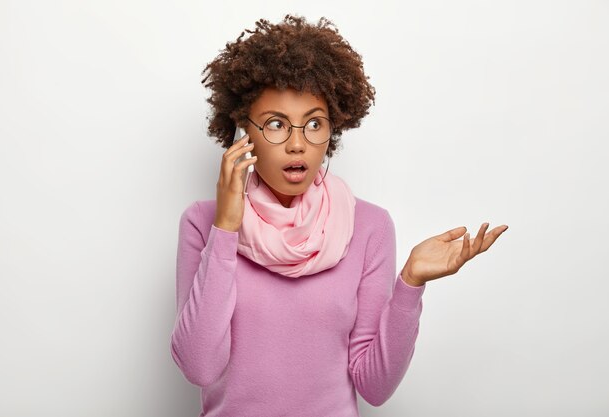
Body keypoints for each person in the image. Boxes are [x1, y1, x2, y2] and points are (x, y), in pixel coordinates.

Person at [170, 14, 508, 416]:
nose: (297, 144)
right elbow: (200, 366)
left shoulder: (369, 227)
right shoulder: (202, 222)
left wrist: (410, 284)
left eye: (314, 124)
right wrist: (225, 227)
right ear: (244, 132)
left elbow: (374, 386)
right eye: (276, 124)